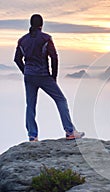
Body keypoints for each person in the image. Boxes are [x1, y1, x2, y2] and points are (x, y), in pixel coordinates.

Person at [14, 14, 84, 142]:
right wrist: (53, 77)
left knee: (30, 105)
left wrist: (26, 71)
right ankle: (70, 132)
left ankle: (32, 136)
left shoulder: (22, 40)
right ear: (41, 24)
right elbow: (54, 57)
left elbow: (17, 59)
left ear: (31, 24)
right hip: (43, 75)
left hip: (29, 76)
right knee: (61, 100)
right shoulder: (46, 38)